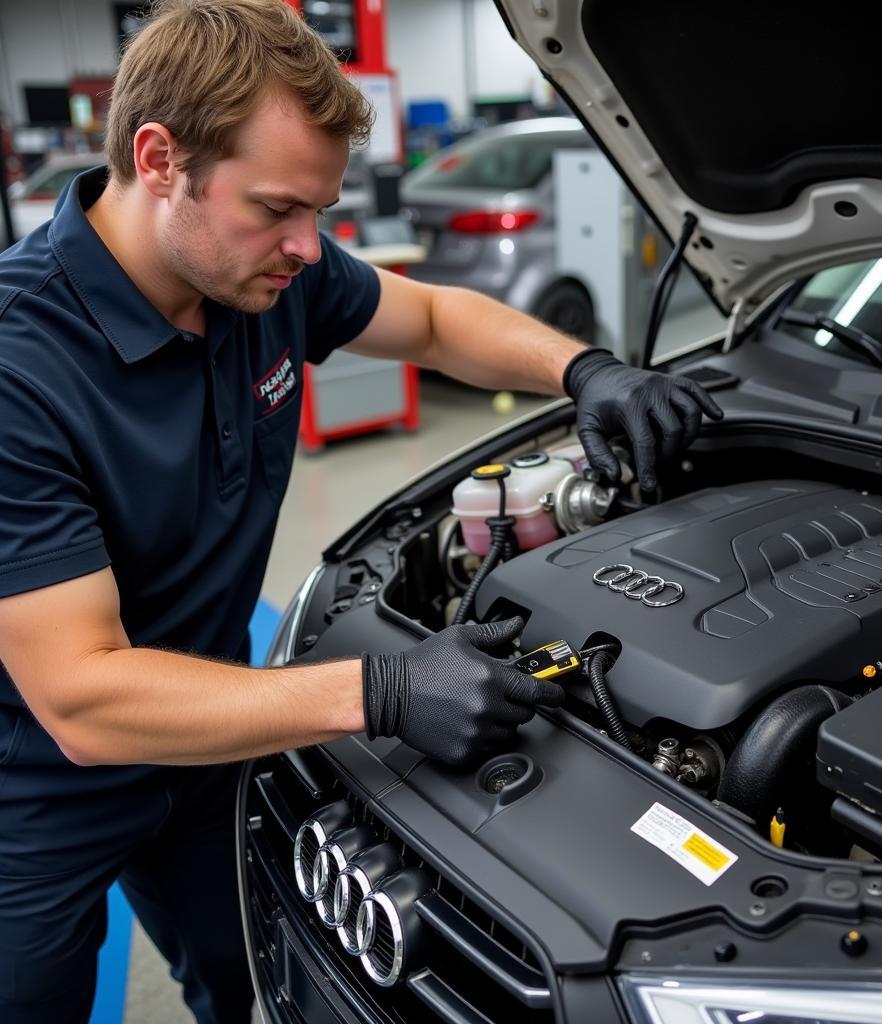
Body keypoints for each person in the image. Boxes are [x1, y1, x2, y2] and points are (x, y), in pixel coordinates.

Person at [0, 1, 722, 1020]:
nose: (307, 247)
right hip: (36, 792)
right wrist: (381, 688)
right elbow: (79, 697)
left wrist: (586, 368)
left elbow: (428, 316)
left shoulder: (261, 273)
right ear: (160, 158)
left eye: (321, 213)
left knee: (245, 973)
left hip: (212, 734)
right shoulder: (19, 365)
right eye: (278, 207)